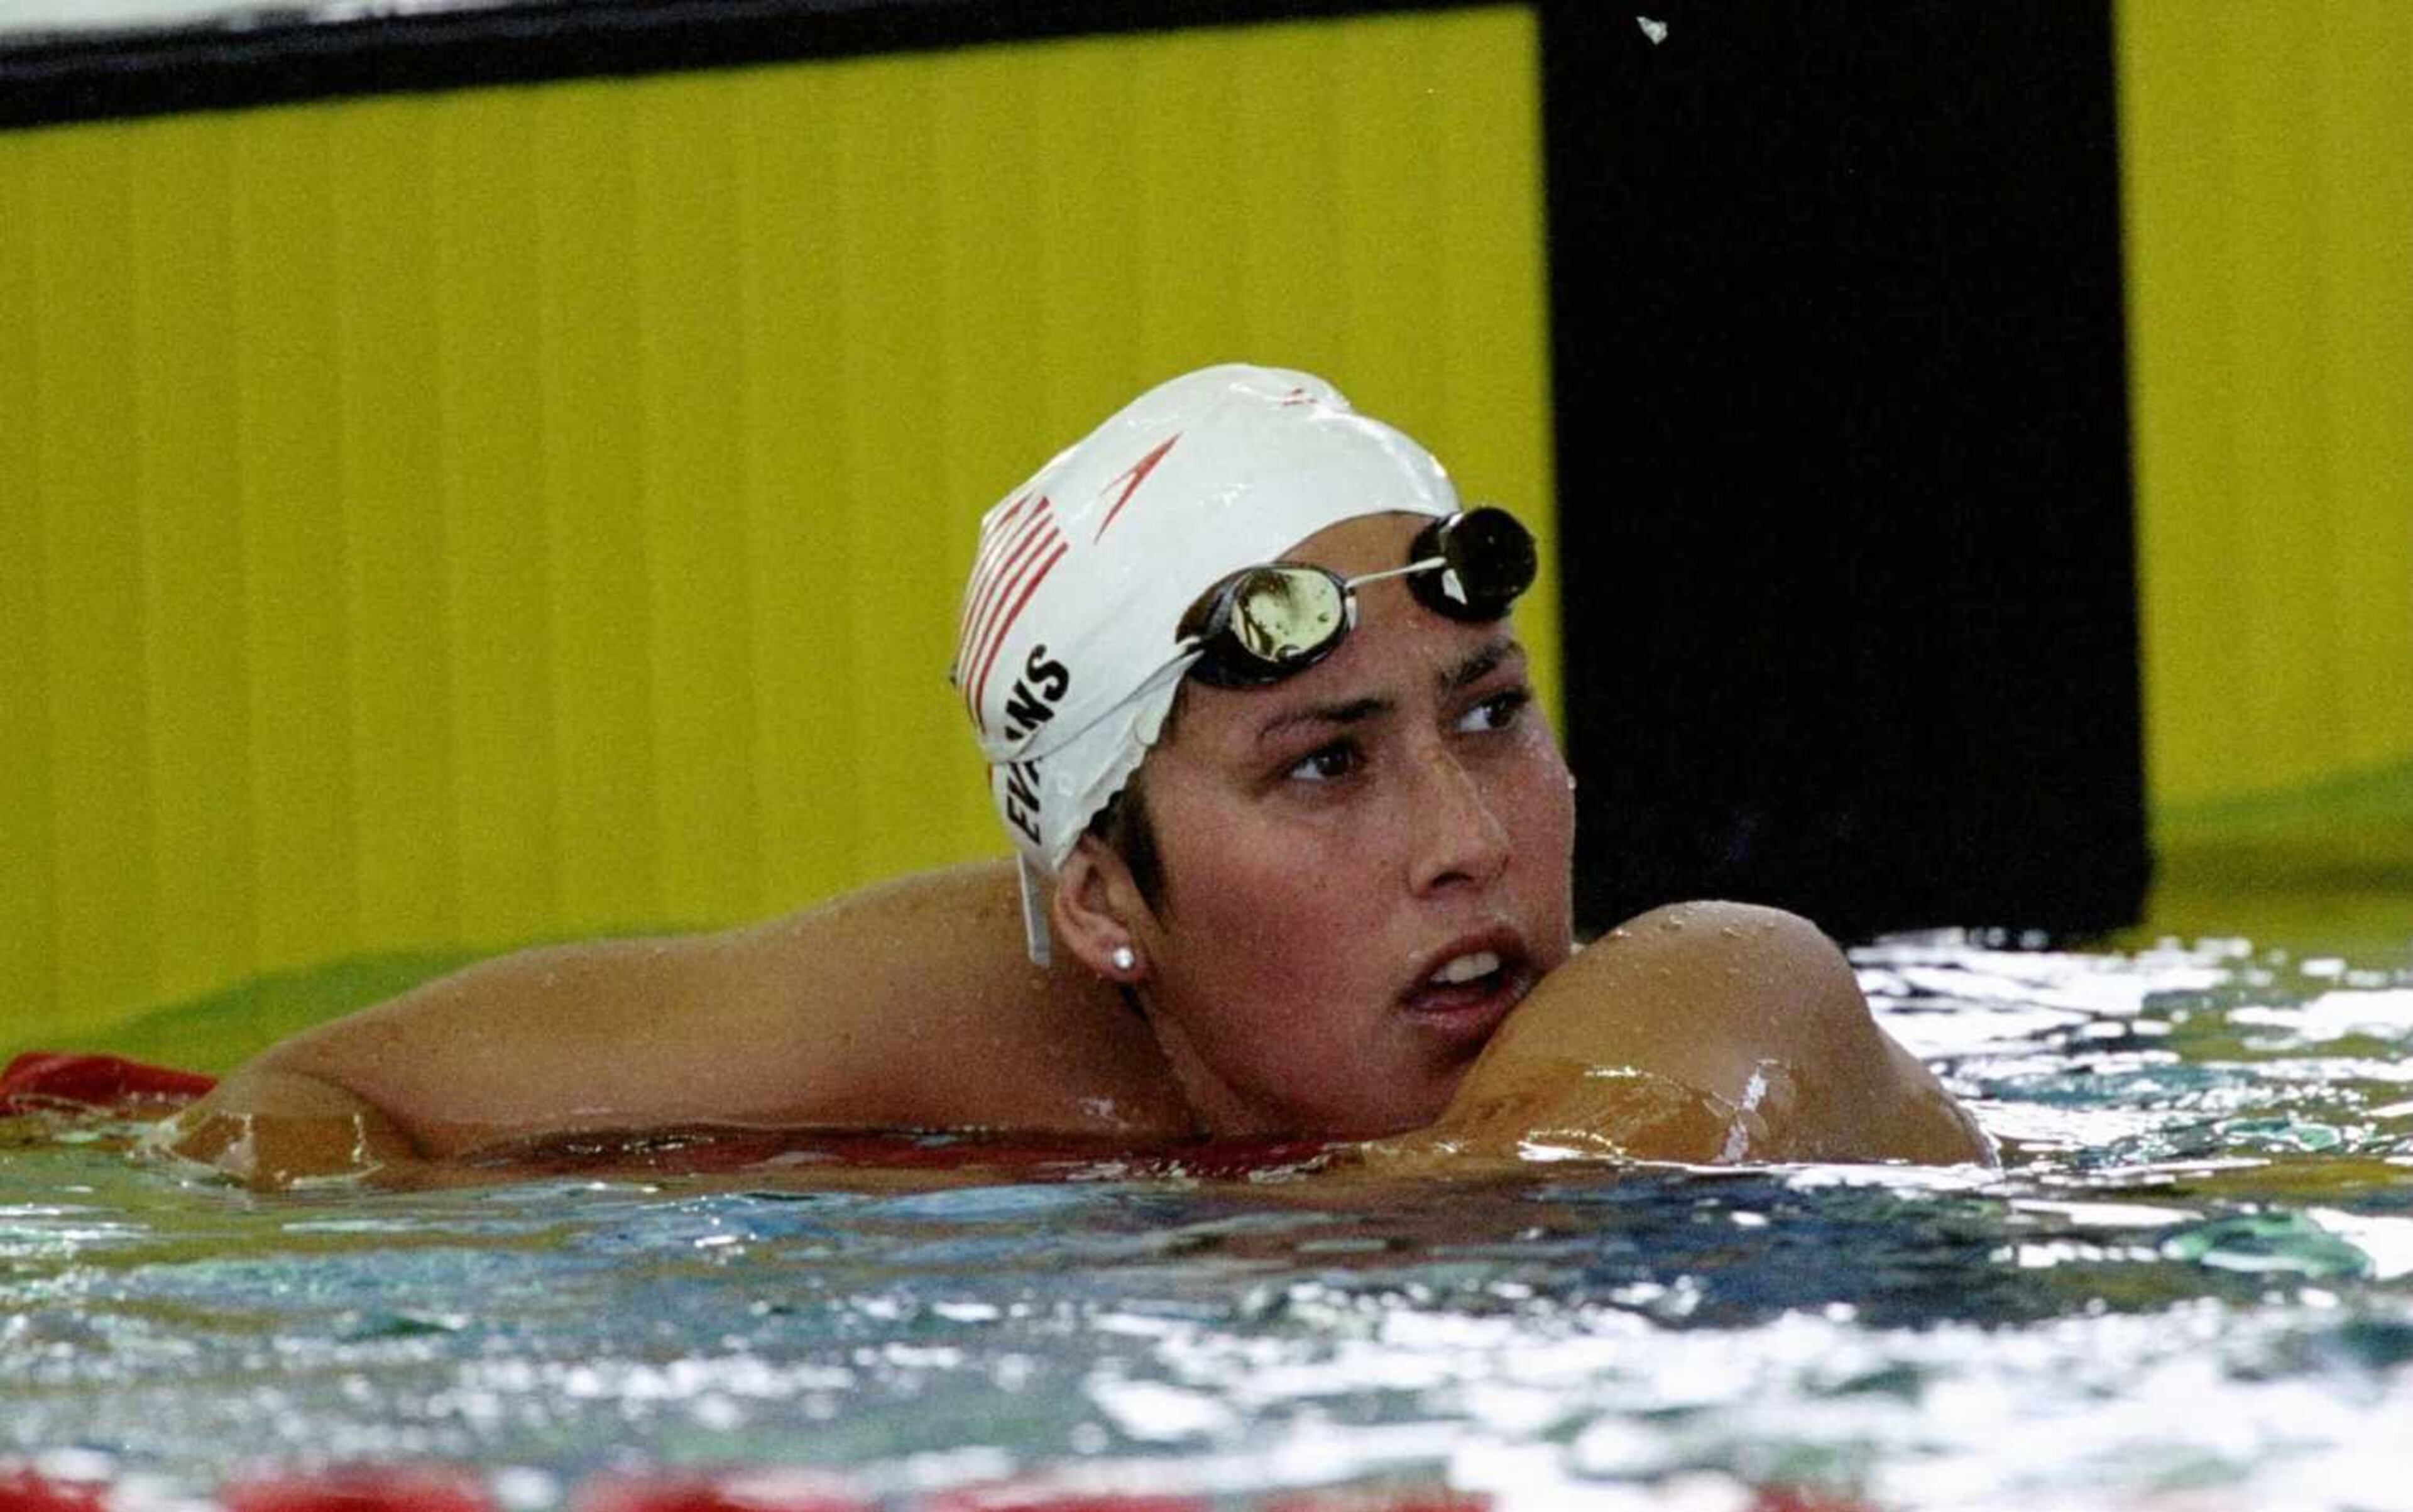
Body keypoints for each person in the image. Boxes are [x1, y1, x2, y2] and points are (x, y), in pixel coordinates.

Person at [161, 364, 1991, 1186]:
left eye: (1491, 715)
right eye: (1325, 764)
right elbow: (312, 1098)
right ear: (1107, 902)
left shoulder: (1717, 996)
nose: (1466, 842)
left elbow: (1505, 1266)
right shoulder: (1000, 1013)